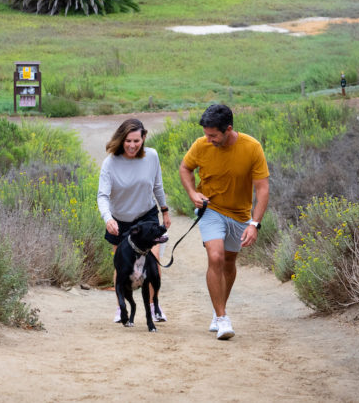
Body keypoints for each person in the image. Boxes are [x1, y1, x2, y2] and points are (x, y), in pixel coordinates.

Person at [179, 104, 269, 340]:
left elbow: (263, 189)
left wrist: (254, 224)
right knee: (216, 256)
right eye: (206, 134)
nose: (208, 140)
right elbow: (186, 168)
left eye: (213, 135)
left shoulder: (252, 148)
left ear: (228, 129)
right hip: (211, 209)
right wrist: (192, 194)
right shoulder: (200, 145)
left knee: (229, 261)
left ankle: (219, 307)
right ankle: (222, 319)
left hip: (240, 215)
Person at [97, 118, 172, 322]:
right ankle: (121, 308)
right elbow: (102, 196)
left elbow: (157, 186)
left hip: (146, 217)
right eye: (128, 141)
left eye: (136, 141)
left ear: (143, 138)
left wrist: (164, 211)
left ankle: (153, 306)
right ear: (122, 140)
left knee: (153, 261)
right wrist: (108, 218)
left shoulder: (152, 156)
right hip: (120, 221)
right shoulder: (110, 163)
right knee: (122, 266)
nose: (132, 145)